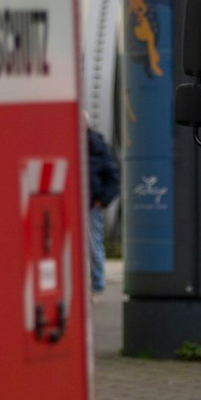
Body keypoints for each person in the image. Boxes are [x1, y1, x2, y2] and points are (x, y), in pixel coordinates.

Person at [86, 119, 119, 295]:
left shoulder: (96, 147)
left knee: (93, 245)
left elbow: (113, 177)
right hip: (80, 203)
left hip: (91, 205)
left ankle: (97, 284)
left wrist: (102, 200)